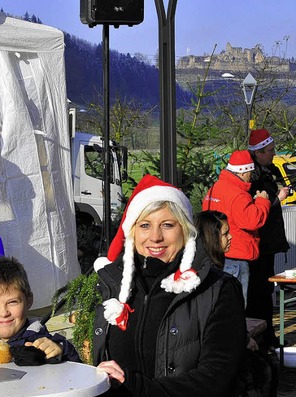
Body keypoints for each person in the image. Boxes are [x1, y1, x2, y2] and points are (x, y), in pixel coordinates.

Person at [93, 174, 247, 396]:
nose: (155, 237)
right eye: (145, 225)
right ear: (132, 232)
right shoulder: (110, 285)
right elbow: (94, 361)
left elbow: (218, 376)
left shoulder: (217, 289)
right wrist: (56, 354)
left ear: (184, 231)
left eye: (167, 225)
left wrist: (137, 386)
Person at [202, 150, 270, 305]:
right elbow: (252, 220)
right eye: (250, 173)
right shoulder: (238, 194)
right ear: (243, 172)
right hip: (237, 256)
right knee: (237, 304)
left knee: (220, 303)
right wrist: (262, 202)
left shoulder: (216, 188)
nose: (250, 177)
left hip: (217, 253)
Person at [247, 128, 291, 348]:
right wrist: (278, 198)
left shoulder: (268, 170)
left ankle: (267, 335)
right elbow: (256, 211)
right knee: (259, 292)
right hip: (258, 244)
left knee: (265, 291)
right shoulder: (253, 178)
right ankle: (262, 338)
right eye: (271, 150)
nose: (274, 154)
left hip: (267, 243)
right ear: (259, 152)